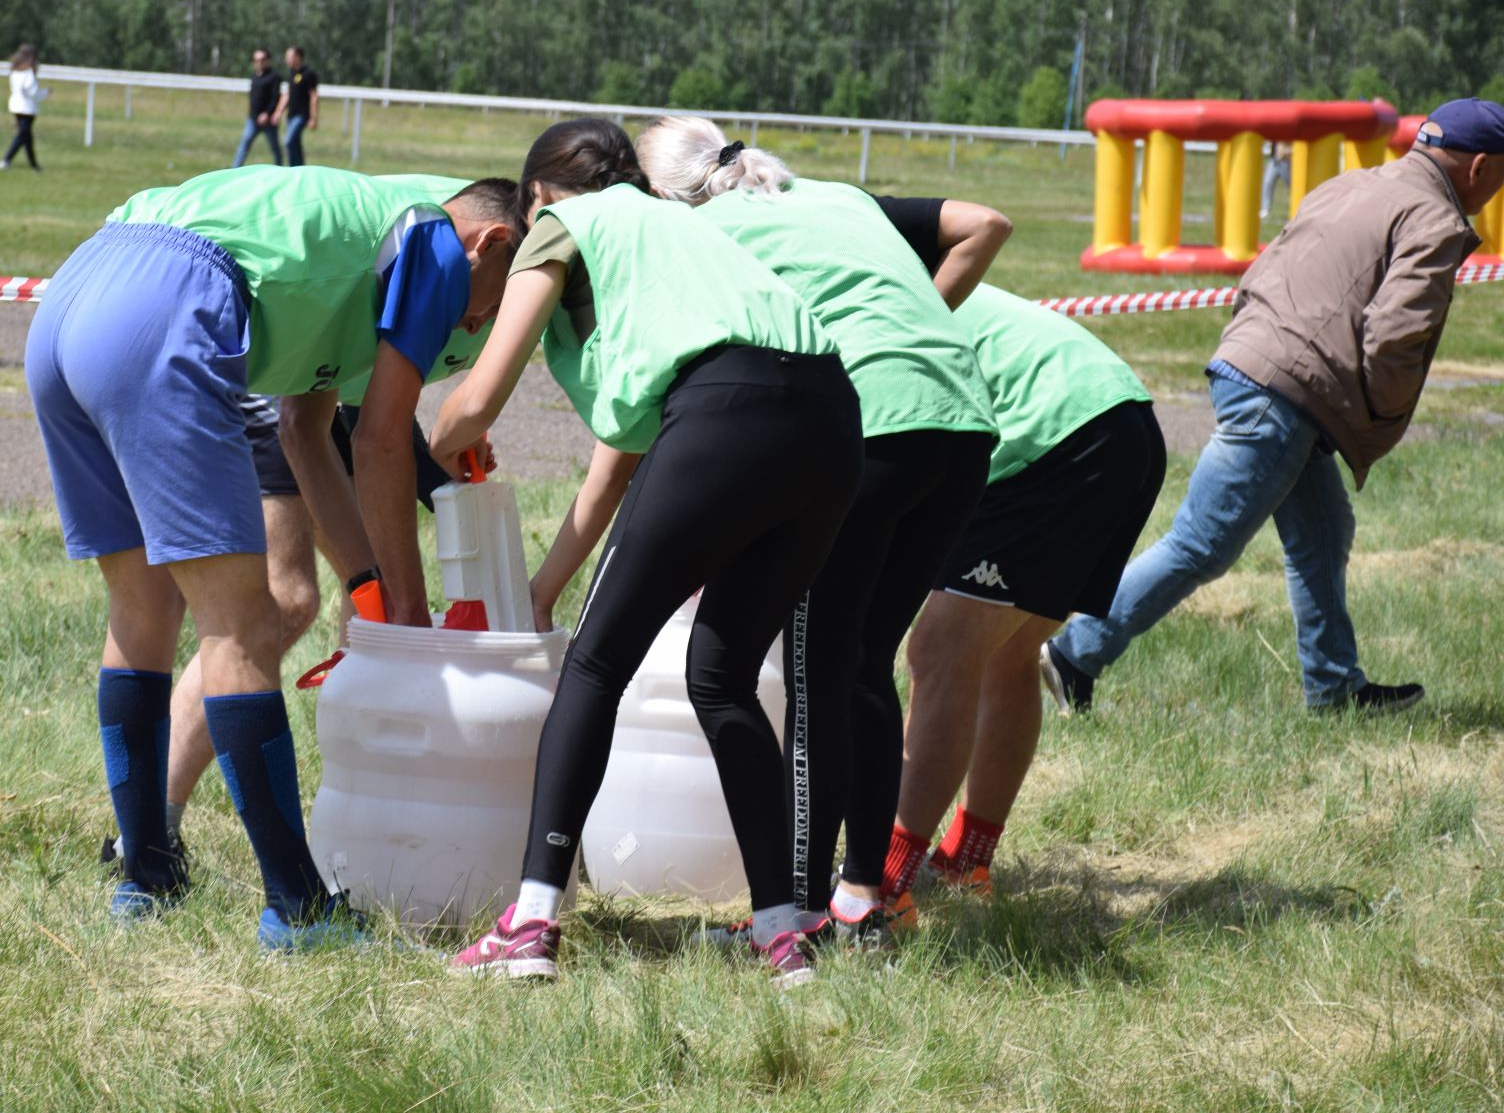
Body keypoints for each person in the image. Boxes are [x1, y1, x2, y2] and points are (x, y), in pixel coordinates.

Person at [24, 166, 522, 944]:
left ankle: (145, 875)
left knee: (142, 610)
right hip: (170, 297)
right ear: (490, 243)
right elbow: (382, 440)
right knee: (245, 627)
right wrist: (411, 614)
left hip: (74, 296)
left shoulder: (367, 257)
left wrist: (368, 588)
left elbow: (304, 431)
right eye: (495, 300)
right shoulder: (435, 239)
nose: (482, 322)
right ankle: (299, 908)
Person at [433, 120, 864, 987]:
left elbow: (479, 398)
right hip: (832, 420)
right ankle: (784, 934)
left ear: (539, 198)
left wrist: (432, 444)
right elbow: (623, 460)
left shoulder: (564, 224)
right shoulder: (681, 230)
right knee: (723, 676)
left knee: (594, 667)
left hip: (726, 409)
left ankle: (530, 924)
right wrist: (551, 579)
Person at [633, 117, 1001, 946]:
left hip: (870, 430)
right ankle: (864, 897)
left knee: (816, 673)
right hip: (961, 425)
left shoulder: (707, 232)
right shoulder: (835, 197)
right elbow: (988, 224)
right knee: (864, 666)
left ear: (670, 195)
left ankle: (797, 910)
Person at [1043, 98, 1504, 716]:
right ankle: (1074, 653)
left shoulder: (1353, 184)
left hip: (1257, 368)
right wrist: (1381, 416)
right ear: (1479, 167)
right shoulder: (1436, 219)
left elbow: (1271, 263)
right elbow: (1394, 336)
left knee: (1322, 533)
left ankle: (1336, 688)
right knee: (1200, 544)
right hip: (1287, 393)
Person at [875, 225, 1165, 913]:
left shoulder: (842, 313)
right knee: (1007, 657)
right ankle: (965, 862)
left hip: (1060, 436)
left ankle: (887, 883)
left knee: (941, 651)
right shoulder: (881, 283)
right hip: (1119, 421)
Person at [0, 44, 47, 172]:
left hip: (15, 106)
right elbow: (33, 93)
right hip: (27, 108)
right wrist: (46, 92)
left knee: (27, 137)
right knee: (22, 136)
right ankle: (6, 160)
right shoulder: (29, 73)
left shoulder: (15, 71)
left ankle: (34, 165)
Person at [232, 48, 284, 167]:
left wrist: (267, 113)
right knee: (244, 144)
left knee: (275, 148)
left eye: (262, 60)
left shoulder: (274, 77)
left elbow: (275, 97)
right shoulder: (253, 76)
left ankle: (280, 168)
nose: (259, 63)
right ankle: (235, 169)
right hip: (253, 119)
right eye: (256, 60)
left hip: (269, 121)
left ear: (267, 60)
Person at [273, 45, 319, 166]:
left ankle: (294, 167)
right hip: (291, 115)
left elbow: (314, 96)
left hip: (302, 115)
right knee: (295, 145)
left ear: (298, 57)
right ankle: (298, 168)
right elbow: (287, 95)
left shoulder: (309, 74)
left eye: (290, 56)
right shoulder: (292, 74)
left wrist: (313, 118)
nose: (287, 59)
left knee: (288, 141)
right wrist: (278, 112)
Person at [1260, 140, 1291, 218]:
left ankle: (1297, 207)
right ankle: (1265, 209)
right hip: (1274, 159)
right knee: (1267, 183)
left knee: (1292, 185)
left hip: (1286, 160)